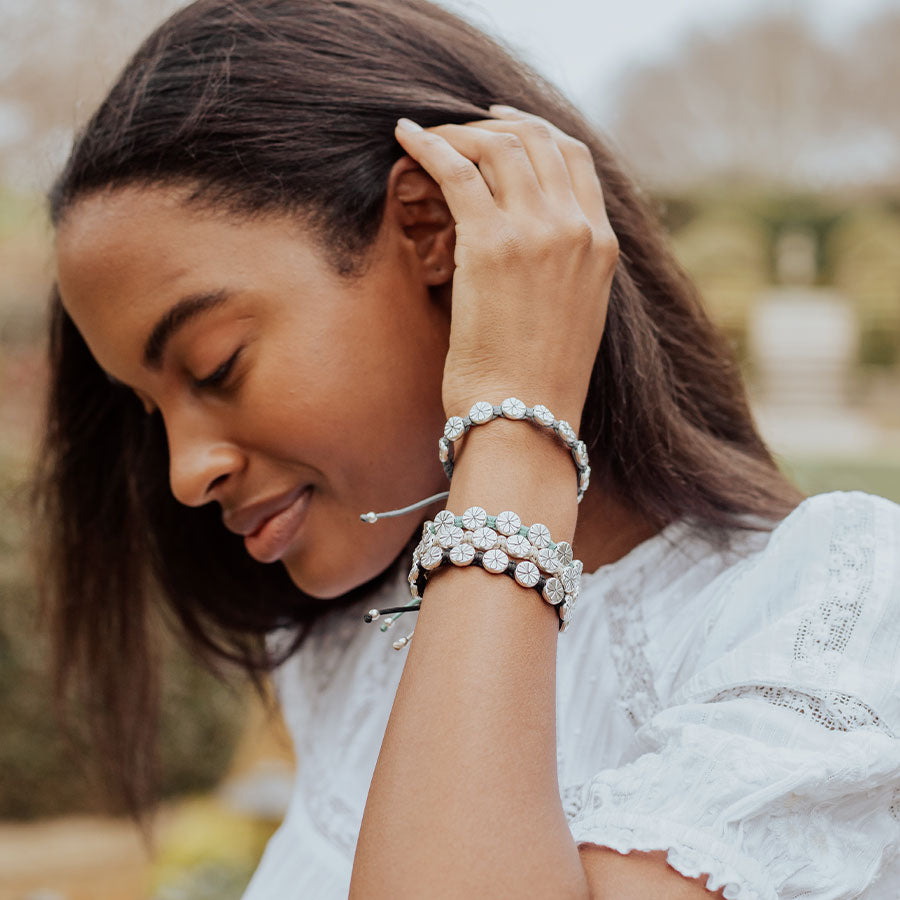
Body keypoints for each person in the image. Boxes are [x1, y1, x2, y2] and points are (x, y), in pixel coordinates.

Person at [37, 0, 900, 896]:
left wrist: (518, 422)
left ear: (433, 232)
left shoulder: (831, 626)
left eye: (217, 366)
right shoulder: (355, 646)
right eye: (149, 410)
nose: (185, 473)